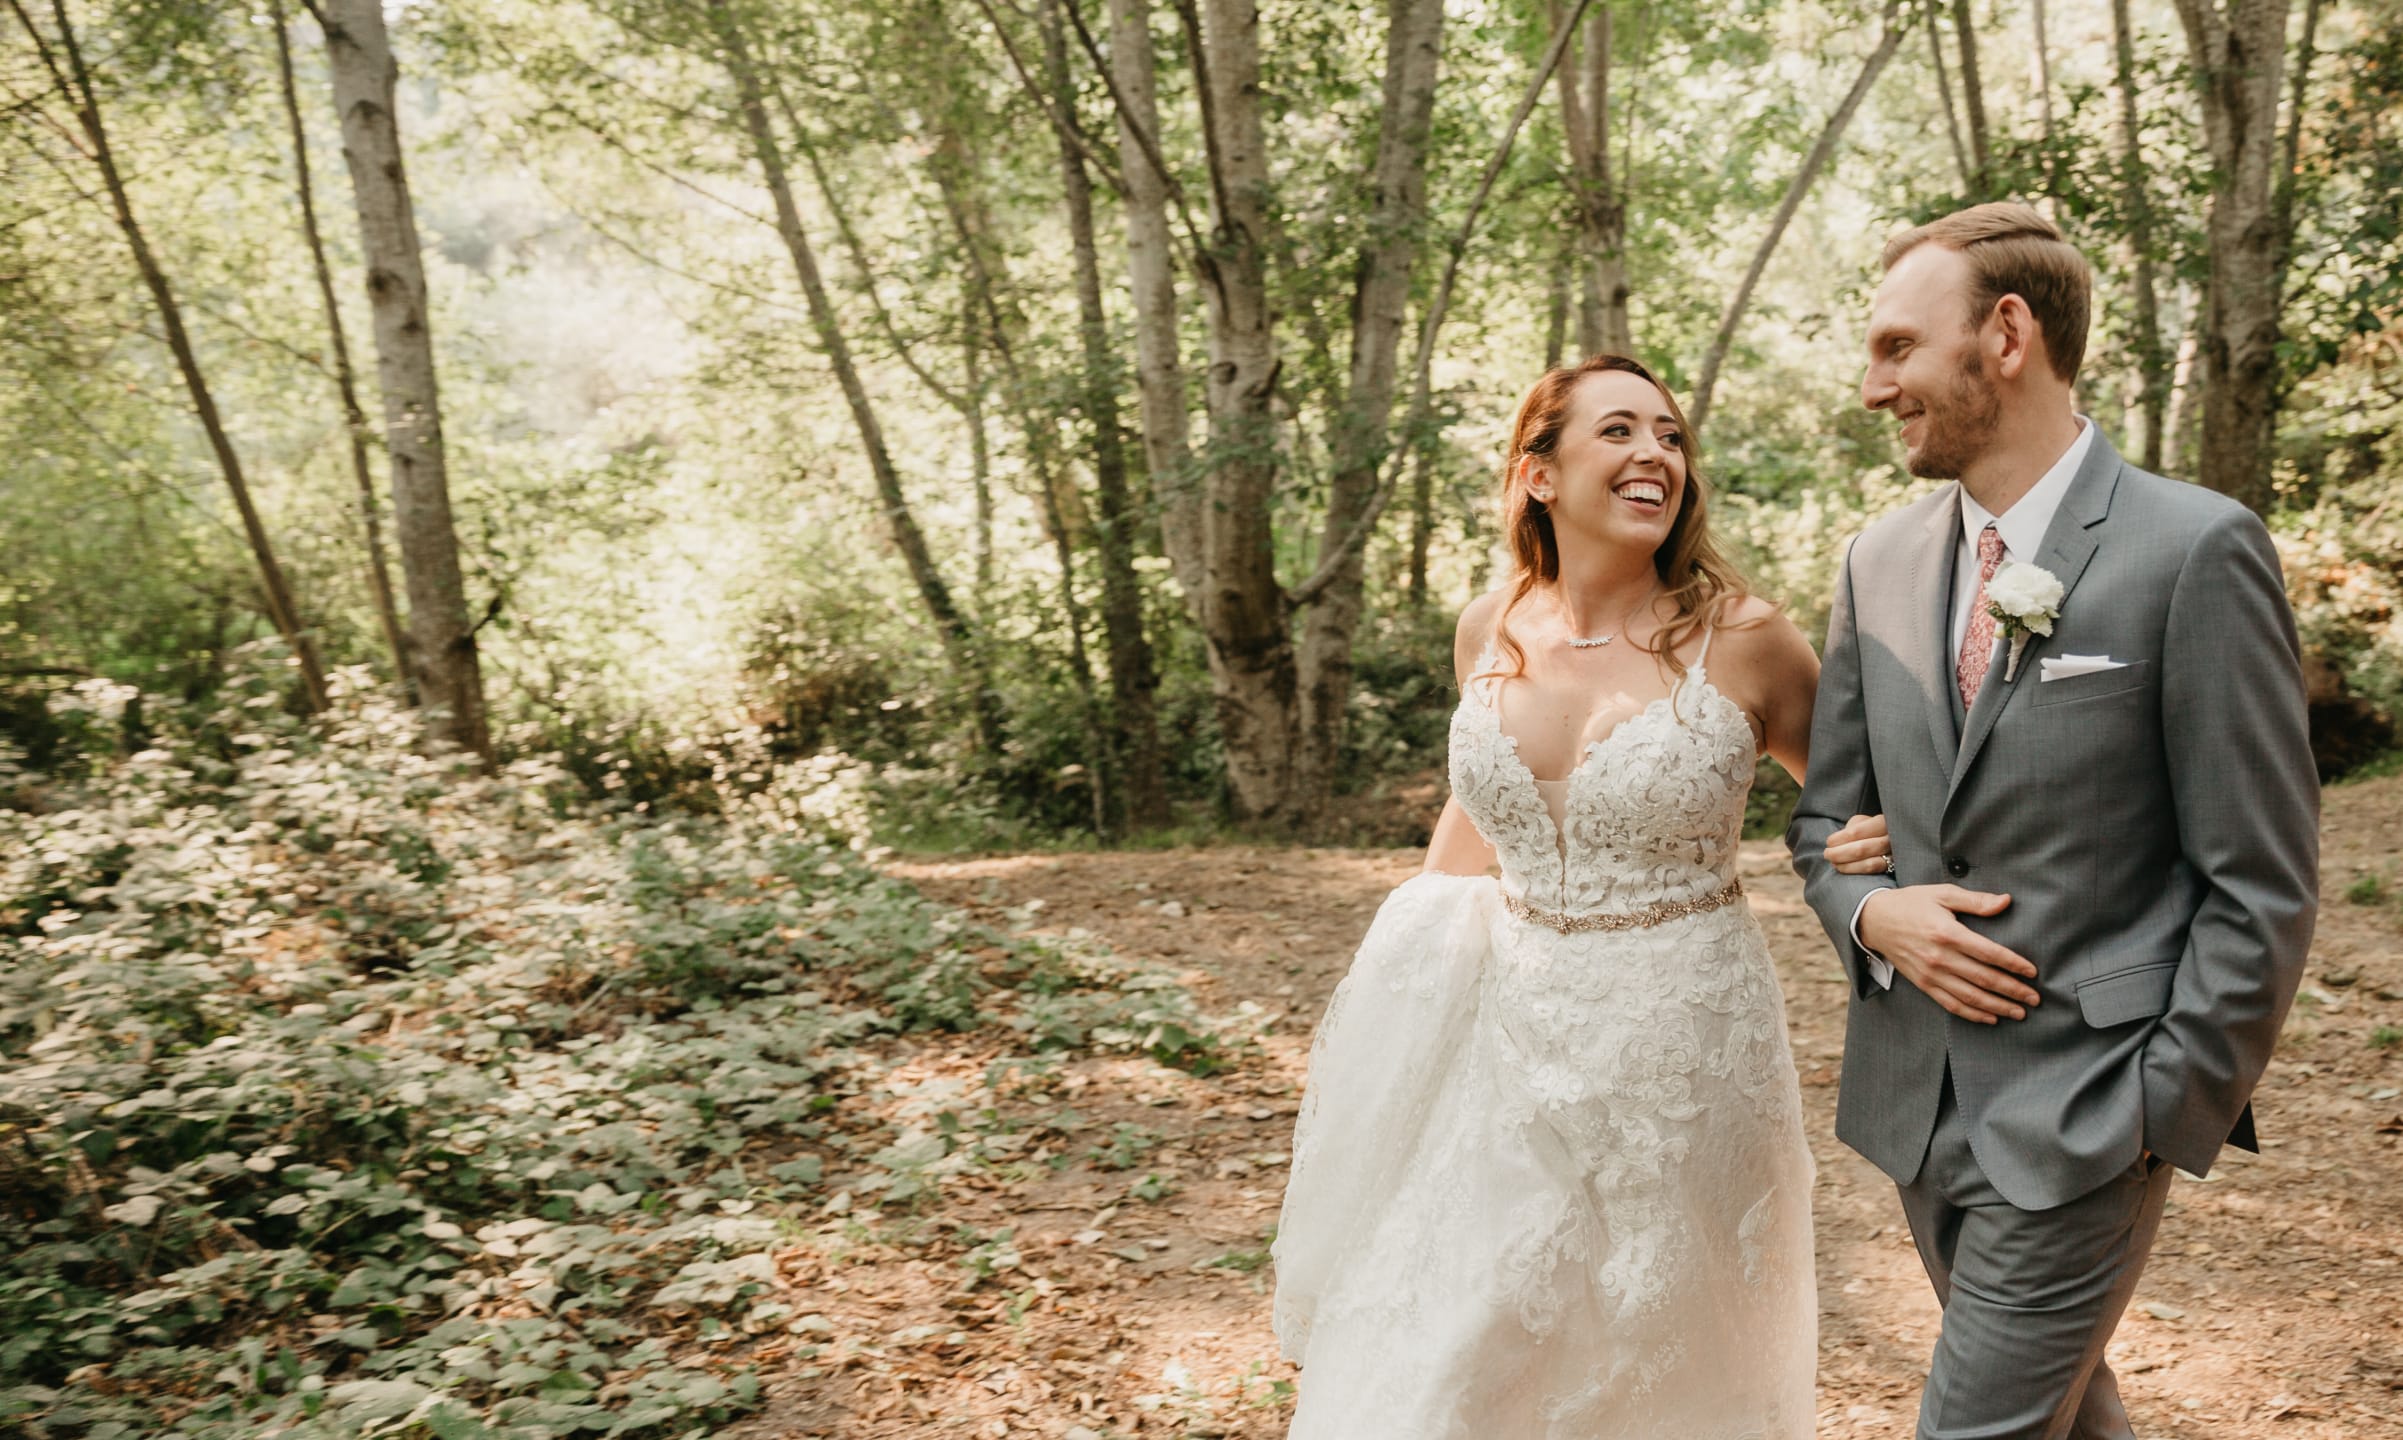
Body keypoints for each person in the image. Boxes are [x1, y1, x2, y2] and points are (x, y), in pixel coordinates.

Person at [1272, 354, 1890, 1438]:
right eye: (1618, 431)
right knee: (1463, 1335)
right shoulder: (1489, 626)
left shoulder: (1743, 637)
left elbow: (1854, 795)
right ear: (1539, 474)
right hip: (1504, 1033)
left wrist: (1875, 847)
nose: (1655, 452)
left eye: (1670, 436)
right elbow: (1481, 821)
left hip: (1684, 1050)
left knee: (1654, 1345)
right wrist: (1400, 1021)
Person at [1787, 203, 2319, 1439]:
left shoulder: (2194, 549)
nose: (1876, 387)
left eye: (1897, 348)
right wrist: (1873, 913)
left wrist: (2158, 1110)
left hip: (2093, 1109)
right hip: (1917, 1110)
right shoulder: (1878, 563)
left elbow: (2263, 881)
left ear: (2007, 333)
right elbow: (1825, 825)